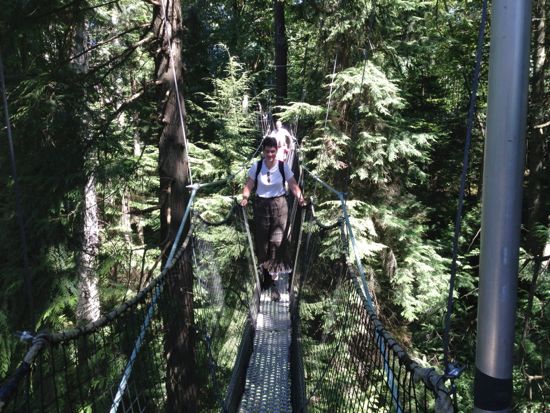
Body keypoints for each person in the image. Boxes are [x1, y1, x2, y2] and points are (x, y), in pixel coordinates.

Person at [240, 136, 306, 301]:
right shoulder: (258, 166)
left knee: (277, 243)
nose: (270, 154)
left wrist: (300, 198)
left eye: (273, 151)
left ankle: (274, 284)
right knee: (262, 244)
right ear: (263, 151)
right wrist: (245, 197)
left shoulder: (283, 167)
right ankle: (266, 277)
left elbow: (292, 184)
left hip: (280, 205)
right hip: (261, 206)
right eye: (267, 151)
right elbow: (249, 184)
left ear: (277, 151)